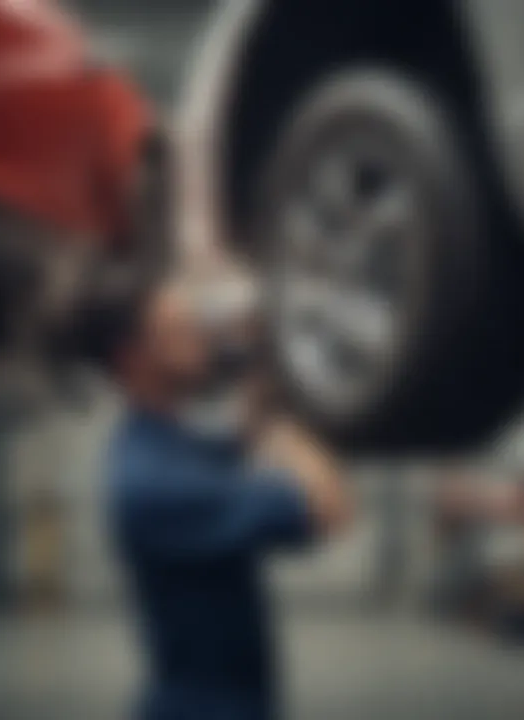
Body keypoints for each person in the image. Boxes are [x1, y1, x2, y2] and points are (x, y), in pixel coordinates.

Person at [101, 279, 354, 720]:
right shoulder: (153, 482)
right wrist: (290, 431)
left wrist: (260, 360)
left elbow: (250, 443)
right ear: (134, 360)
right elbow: (329, 508)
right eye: (178, 329)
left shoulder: (166, 443)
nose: (201, 335)